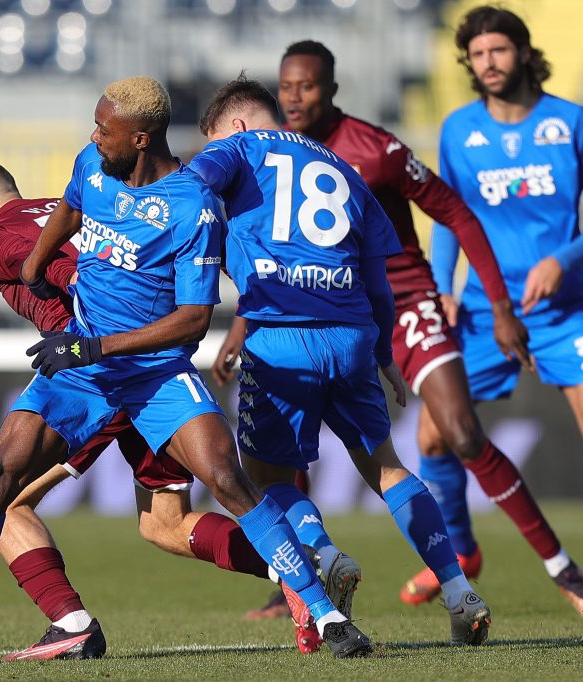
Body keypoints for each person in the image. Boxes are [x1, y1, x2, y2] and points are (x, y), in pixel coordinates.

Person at [0, 76, 371, 665]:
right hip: (81, 372)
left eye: (103, 128)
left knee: (228, 480)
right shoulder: (92, 164)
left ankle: (331, 616)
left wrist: (94, 345)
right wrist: (35, 265)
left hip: (153, 373)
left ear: (139, 138)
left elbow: (191, 321)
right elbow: (70, 204)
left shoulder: (193, 207)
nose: (92, 135)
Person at [223, 37, 581, 616]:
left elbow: (456, 211)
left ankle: (560, 569)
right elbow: (272, 261)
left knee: (455, 435)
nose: (293, 98)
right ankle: (416, 569)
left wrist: (479, 295)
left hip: (403, 304)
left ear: (333, 89)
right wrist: (242, 328)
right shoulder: (273, 160)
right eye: (285, 87)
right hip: (342, 316)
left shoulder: (374, 149)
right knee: (332, 453)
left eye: (307, 86)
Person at [0, 159, 318, 659]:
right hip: (150, 359)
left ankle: (70, 622)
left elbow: (45, 267)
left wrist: (70, 291)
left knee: (6, 502)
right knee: (164, 523)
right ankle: (296, 570)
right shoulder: (69, 209)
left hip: (102, 372)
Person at [189, 75, 491, 647]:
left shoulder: (237, 148)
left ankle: (324, 555)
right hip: (352, 332)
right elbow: (379, 277)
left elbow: (190, 185)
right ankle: (458, 591)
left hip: (280, 337)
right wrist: (383, 352)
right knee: (387, 467)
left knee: (266, 478)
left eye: (215, 140)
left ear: (235, 125)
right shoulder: (341, 167)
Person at [426, 6, 583, 616]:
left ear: (523, 51)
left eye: (499, 50)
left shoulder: (569, 122)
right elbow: (447, 215)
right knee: (435, 435)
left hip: (564, 310)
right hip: (485, 310)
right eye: (478, 54)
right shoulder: (459, 130)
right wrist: (442, 285)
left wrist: (564, 261)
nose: (488, 63)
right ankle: (462, 552)